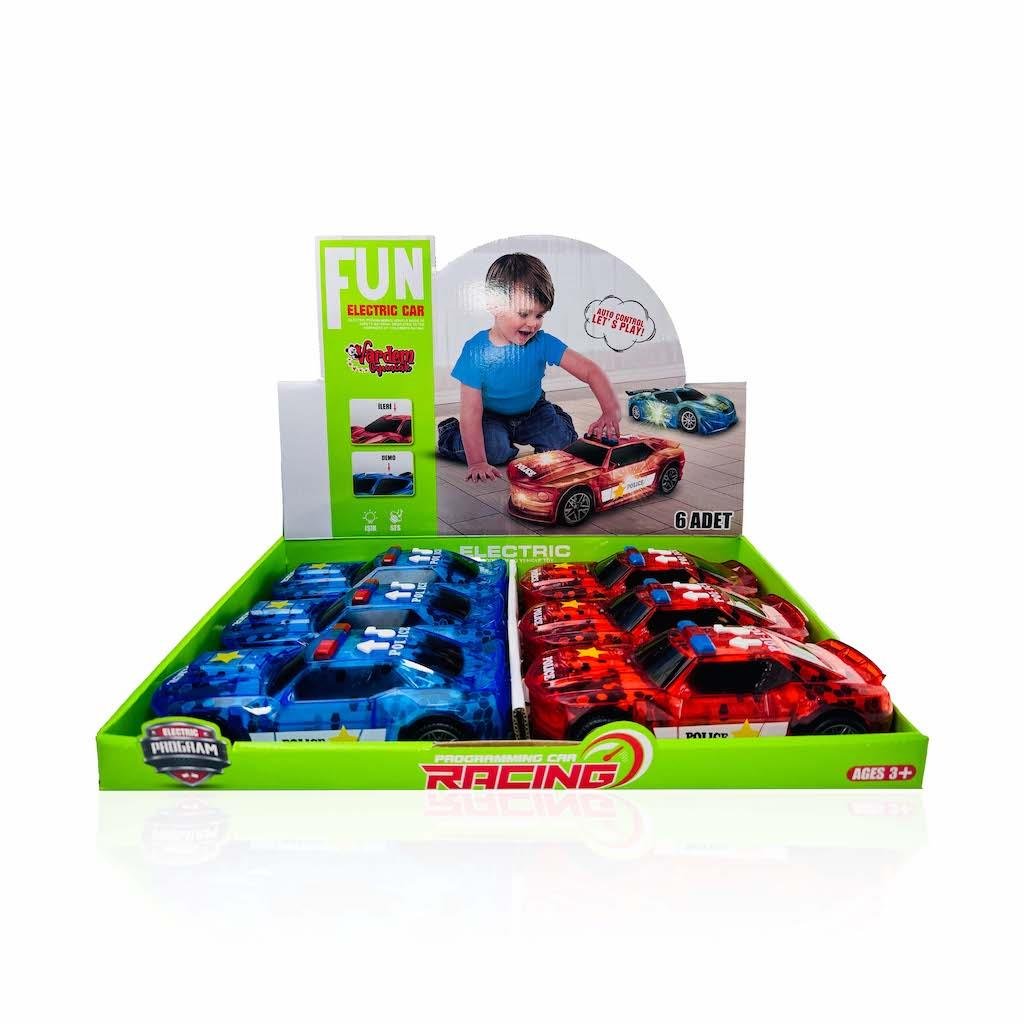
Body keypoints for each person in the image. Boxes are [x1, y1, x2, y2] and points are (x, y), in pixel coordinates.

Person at [437, 253, 621, 482]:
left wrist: (610, 410)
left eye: (539, 315)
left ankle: (556, 417)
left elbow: (590, 371)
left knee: (562, 446)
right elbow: (472, 411)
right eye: (524, 314)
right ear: (494, 305)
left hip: (534, 411)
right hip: (491, 416)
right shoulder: (476, 350)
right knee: (494, 452)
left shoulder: (542, 342)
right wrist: (477, 462)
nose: (533, 323)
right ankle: (449, 432)